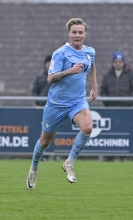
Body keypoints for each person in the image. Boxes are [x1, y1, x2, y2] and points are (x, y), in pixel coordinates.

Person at [26, 18, 98, 189]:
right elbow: (51, 78)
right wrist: (70, 71)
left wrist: (94, 85)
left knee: (88, 127)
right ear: (69, 34)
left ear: (85, 34)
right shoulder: (60, 53)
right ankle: (34, 168)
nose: (77, 35)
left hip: (78, 102)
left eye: (80, 32)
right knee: (44, 142)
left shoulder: (90, 52)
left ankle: (69, 162)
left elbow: (92, 65)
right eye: (74, 32)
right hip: (57, 104)